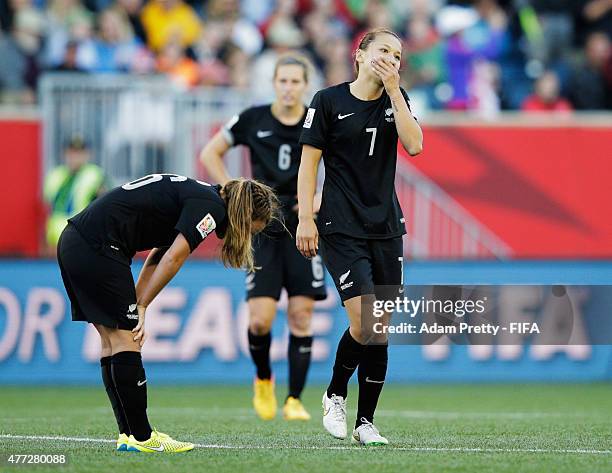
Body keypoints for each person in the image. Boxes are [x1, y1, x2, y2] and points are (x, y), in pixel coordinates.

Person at [57, 174, 278, 452]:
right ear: (244, 216)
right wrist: (143, 305)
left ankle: (128, 435)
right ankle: (143, 436)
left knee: (113, 341)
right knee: (127, 341)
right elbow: (175, 258)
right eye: (251, 230)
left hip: (77, 242)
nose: (247, 237)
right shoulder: (211, 208)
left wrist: (138, 300)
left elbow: (159, 254)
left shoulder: (199, 195)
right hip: (98, 246)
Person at [296, 28, 423, 446]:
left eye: (398, 54)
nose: (391, 58)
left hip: (386, 227)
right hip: (340, 225)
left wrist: (394, 93)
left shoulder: (397, 99)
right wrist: (305, 219)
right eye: (383, 50)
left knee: (380, 328)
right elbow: (308, 164)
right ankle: (334, 394)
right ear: (359, 55)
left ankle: (366, 422)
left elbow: (415, 145)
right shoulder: (328, 101)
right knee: (365, 320)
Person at [200, 53, 326, 422]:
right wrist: (233, 192)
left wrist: (321, 198)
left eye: (295, 81)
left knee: (302, 315)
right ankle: (263, 379)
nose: (289, 88)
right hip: (262, 225)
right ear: (274, 83)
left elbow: (340, 163)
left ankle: (295, 400)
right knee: (260, 321)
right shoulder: (253, 118)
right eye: (283, 81)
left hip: (304, 223)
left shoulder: (316, 120)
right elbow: (211, 152)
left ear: (306, 85)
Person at [43, 135, 107, 252]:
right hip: (54, 241)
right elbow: (47, 208)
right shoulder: (55, 175)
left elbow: (104, 207)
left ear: (87, 154)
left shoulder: (95, 175)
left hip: (81, 240)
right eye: (72, 153)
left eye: (79, 153)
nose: (75, 157)